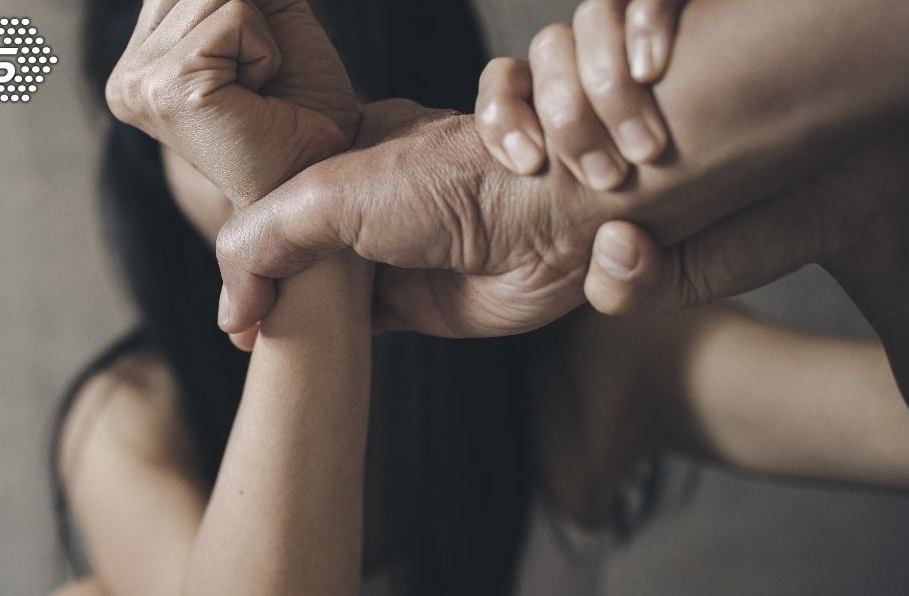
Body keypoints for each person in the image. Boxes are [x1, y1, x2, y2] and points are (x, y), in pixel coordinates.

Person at [51, 1, 909, 595]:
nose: (277, 127)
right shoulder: (131, 421)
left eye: (283, 86)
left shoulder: (592, 348)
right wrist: (306, 220)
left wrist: (873, 223)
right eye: (233, 95)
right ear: (145, 159)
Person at [201, 0, 909, 395]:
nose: (294, 134)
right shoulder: (129, 427)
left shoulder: (580, 360)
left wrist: (874, 223)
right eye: (245, 85)